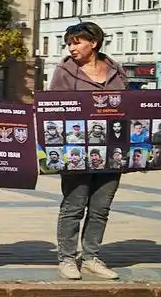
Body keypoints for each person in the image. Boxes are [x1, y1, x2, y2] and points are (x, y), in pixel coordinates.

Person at [49, 22, 125, 281]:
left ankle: (91, 256)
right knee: (74, 206)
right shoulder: (64, 71)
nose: (72, 48)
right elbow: (54, 110)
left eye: (77, 42)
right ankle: (67, 258)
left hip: (112, 151)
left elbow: (127, 107)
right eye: (69, 43)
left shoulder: (116, 70)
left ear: (94, 43)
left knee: (101, 208)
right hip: (76, 150)